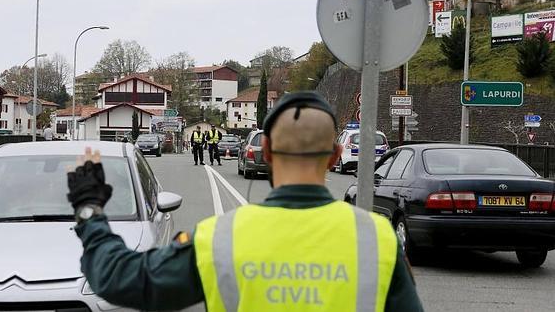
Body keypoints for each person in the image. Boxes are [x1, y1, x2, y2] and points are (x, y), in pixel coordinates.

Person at [66, 91, 423, 312]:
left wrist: (89, 207)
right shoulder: (378, 240)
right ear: (335, 155)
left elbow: (118, 279)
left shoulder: (220, 238)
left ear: (265, 151)